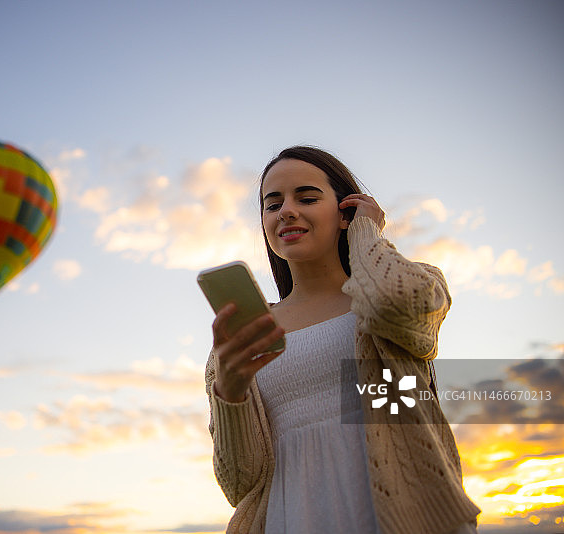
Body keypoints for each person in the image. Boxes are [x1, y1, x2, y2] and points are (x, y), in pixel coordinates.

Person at [204, 146, 481, 533]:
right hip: (291, 518)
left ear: (345, 211)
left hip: (404, 515)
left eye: (307, 197)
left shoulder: (396, 291)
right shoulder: (247, 336)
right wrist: (230, 392)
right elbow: (241, 483)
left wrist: (367, 231)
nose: (286, 210)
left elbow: (393, 303)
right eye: (272, 204)